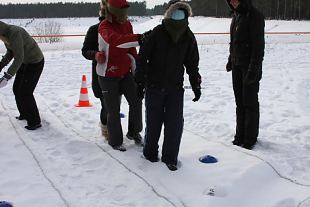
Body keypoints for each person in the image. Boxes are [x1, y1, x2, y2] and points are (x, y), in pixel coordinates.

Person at [135, 0, 201, 171]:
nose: (179, 17)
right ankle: (149, 155)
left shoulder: (188, 36)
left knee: (174, 125)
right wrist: (140, 82)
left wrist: (196, 84)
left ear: (187, 16)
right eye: (176, 13)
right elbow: (142, 57)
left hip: (175, 89)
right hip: (154, 87)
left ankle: (170, 158)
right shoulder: (157, 32)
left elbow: (192, 63)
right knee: (154, 123)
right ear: (169, 14)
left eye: (182, 14)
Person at [97, 0, 148, 151]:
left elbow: (131, 49)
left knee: (136, 100)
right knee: (113, 109)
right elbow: (116, 42)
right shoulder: (104, 26)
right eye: (121, 11)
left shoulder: (127, 25)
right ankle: (115, 141)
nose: (125, 15)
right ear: (112, 11)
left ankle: (134, 132)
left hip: (125, 72)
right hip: (107, 74)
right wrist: (139, 38)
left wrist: (137, 70)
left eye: (126, 11)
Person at [226, 0, 265, 150]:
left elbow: (258, 47)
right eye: (230, 0)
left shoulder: (255, 16)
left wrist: (253, 70)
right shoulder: (236, 16)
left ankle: (250, 138)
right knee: (239, 102)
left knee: (249, 102)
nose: (233, 2)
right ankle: (239, 135)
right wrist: (231, 59)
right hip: (237, 65)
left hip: (250, 67)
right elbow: (234, 42)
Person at [0, 21, 44, 130]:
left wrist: (7, 76)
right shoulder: (5, 36)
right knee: (17, 89)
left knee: (25, 92)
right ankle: (24, 114)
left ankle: (35, 122)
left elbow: (19, 57)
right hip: (24, 62)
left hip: (35, 62)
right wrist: (1, 65)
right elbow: (11, 53)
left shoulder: (14, 33)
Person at [82, 0, 109, 139]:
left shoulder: (121, 27)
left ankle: (114, 129)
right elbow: (85, 51)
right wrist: (95, 55)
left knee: (114, 105)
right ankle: (106, 130)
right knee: (107, 105)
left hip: (119, 74)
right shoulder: (94, 29)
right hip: (100, 75)